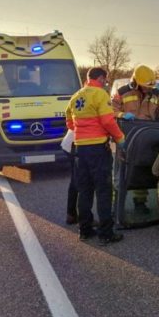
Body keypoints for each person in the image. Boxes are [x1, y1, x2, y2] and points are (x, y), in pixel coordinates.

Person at [66, 67, 125, 245]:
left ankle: (84, 230)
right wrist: (120, 138)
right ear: (100, 78)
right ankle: (106, 233)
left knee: (84, 191)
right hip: (98, 149)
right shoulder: (100, 95)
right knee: (103, 191)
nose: (106, 83)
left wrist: (82, 132)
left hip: (79, 150)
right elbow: (108, 121)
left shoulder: (75, 96)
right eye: (105, 80)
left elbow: (69, 122)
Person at [112, 64, 159, 214]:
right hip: (127, 135)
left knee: (143, 168)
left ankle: (140, 203)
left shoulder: (155, 93)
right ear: (136, 82)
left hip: (147, 135)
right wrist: (122, 115)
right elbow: (111, 110)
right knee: (122, 170)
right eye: (145, 86)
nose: (148, 89)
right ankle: (116, 206)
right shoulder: (122, 92)